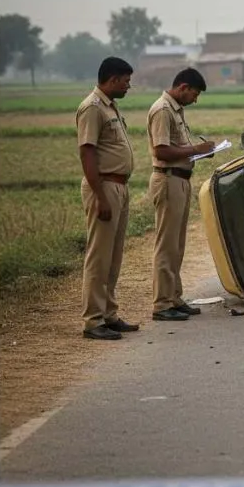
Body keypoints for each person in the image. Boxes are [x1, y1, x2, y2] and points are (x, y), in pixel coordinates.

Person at [146, 68, 216, 322]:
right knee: (166, 245)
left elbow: (178, 148)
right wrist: (197, 148)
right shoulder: (163, 110)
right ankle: (162, 304)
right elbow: (162, 150)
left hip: (181, 179)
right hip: (168, 179)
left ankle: (174, 298)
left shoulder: (175, 109)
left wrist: (200, 152)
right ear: (183, 87)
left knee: (177, 245)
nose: (195, 99)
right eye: (194, 94)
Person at [76, 57, 138, 340]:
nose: (128, 87)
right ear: (112, 80)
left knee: (113, 257)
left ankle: (109, 313)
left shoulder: (109, 107)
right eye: (125, 81)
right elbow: (87, 153)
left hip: (119, 187)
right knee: (99, 257)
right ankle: (93, 320)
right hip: (103, 187)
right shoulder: (92, 107)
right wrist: (100, 196)